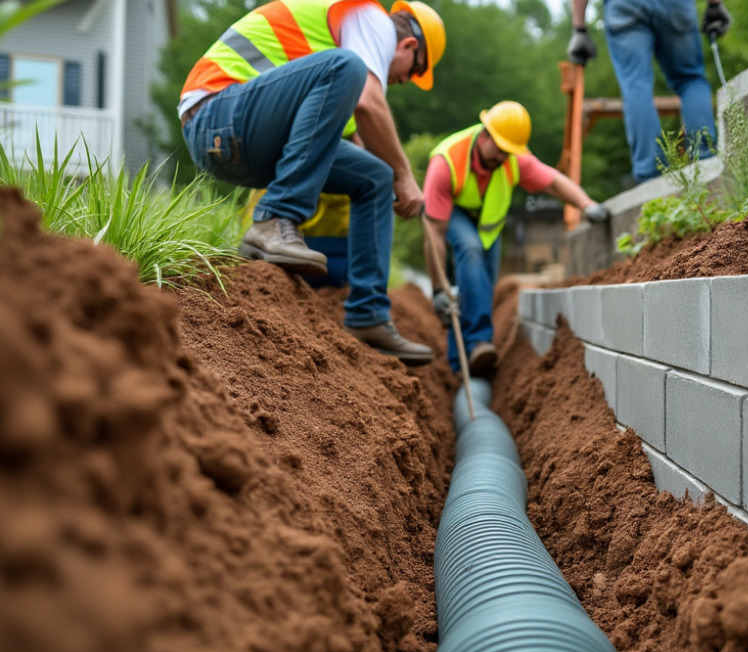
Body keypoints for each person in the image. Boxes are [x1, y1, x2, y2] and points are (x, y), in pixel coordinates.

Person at [179, 0, 445, 366]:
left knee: (373, 177)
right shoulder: (371, 20)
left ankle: (368, 314)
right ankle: (275, 219)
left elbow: (358, 147)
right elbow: (369, 101)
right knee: (347, 67)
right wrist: (405, 174)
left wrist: (392, 178)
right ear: (409, 46)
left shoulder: (332, 83)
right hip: (214, 115)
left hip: (245, 134)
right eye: (412, 72)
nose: (402, 81)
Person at [422, 101, 610, 374]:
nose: (502, 157)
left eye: (508, 152)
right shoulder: (447, 161)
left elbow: (554, 182)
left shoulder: (513, 159)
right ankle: (476, 345)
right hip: (454, 215)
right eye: (499, 149)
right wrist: (438, 288)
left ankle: (464, 363)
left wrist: (586, 204)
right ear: (484, 134)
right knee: (470, 249)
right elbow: (434, 234)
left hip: (489, 227)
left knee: (482, 284)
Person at [568, 0, 732, 184]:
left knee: (635, 85)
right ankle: (706, 161)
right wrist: (714, 4)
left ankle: (651, 177)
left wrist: (579, 29)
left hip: (624, 7)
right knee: (690, 80)